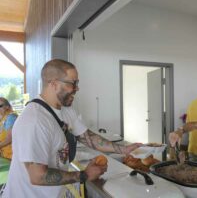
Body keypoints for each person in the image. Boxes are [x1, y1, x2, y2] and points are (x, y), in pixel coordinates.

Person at [3, 59, 141, 198]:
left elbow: (87, 137)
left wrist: (123, 149)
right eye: (72, 83)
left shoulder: (65, 111)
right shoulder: (35, 120)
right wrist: (84, 175)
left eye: (77, 83)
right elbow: (38, 176)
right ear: (54, 84)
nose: (77, 88)